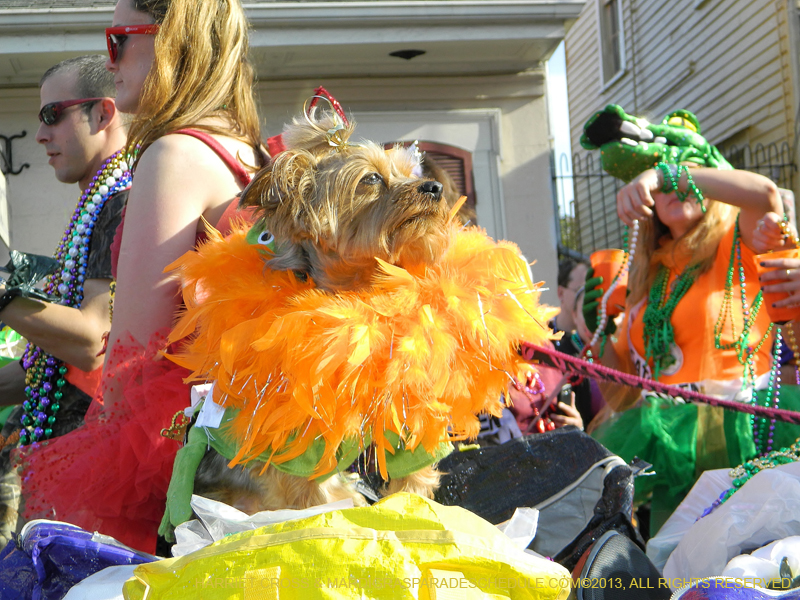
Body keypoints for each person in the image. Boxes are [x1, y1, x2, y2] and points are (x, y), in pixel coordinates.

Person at [15, 0, 265, 553]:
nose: (112, 60)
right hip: (245, 464)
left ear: (171, 38)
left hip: (175, 472)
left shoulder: (174, 153)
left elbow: (130, 358)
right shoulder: (246, 154)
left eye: (118, 40)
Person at [579, 105, 794, 534]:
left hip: (742, 430)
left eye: (686, 172)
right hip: (666, 441)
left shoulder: (740, 237)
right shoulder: (643, 273)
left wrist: (665, 173)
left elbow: (765, 195)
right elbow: (622, 393)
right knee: (675, 572)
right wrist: (595, 332)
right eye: (660, 176)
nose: (673, 183)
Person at [0, 55, 129, 545]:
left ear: (102, 114)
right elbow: (48, 367)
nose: (40, 134)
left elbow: (90, 343)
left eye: (53, 115)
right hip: (59, 464)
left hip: (89, 476)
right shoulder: (99, 199)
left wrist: (2, 296)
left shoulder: (124, 197)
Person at [553, 258, 589, 334]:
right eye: (579, 291)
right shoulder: (542, 337)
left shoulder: (596, 338)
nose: (586, 297)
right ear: (561, 293)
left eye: (589, 291)